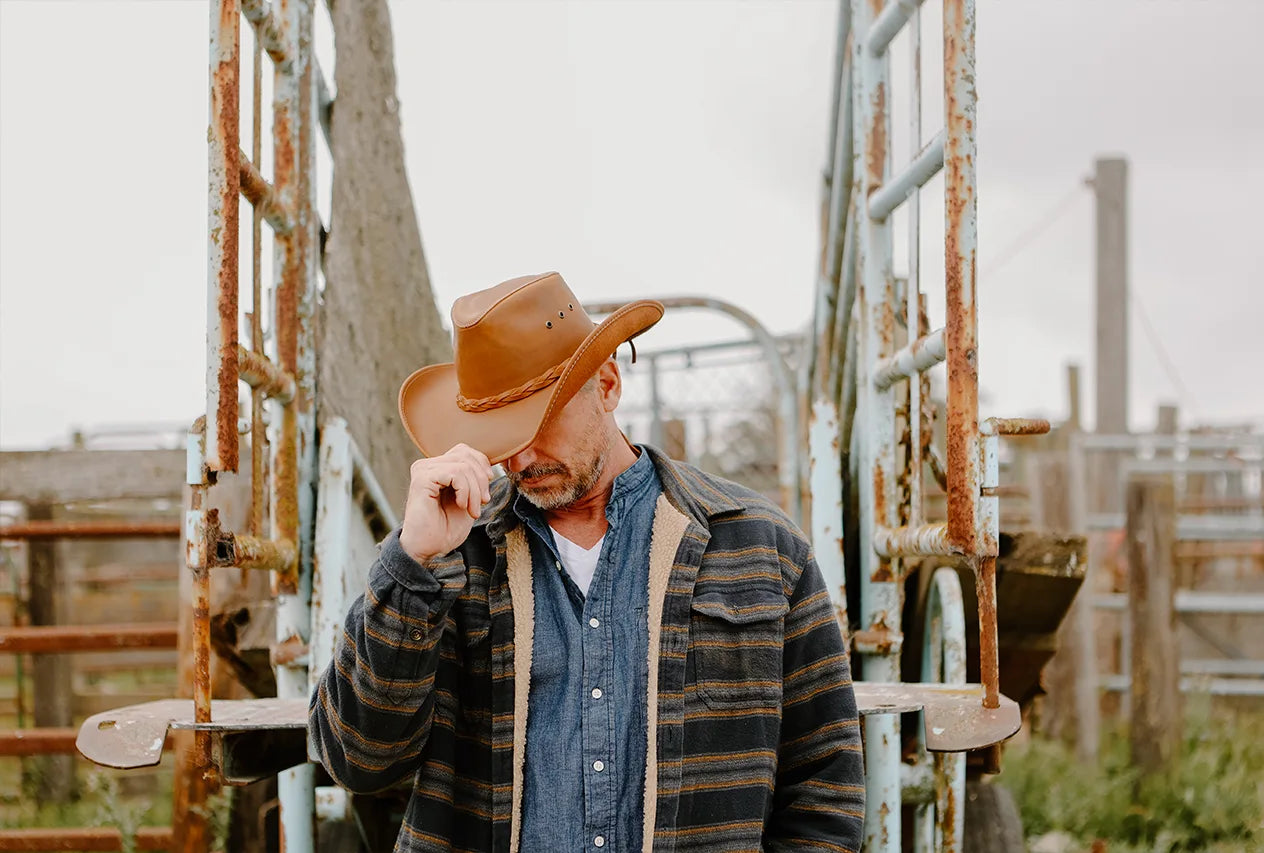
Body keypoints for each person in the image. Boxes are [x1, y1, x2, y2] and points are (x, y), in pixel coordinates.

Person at [310, 272, 865, 852]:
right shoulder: (448, 555)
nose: (521, 456)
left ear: (606, 384)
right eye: (501, 433)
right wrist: (411, 561)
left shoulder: (759, 546)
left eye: (541, 420)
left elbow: (824, 785)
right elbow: (357, 759)